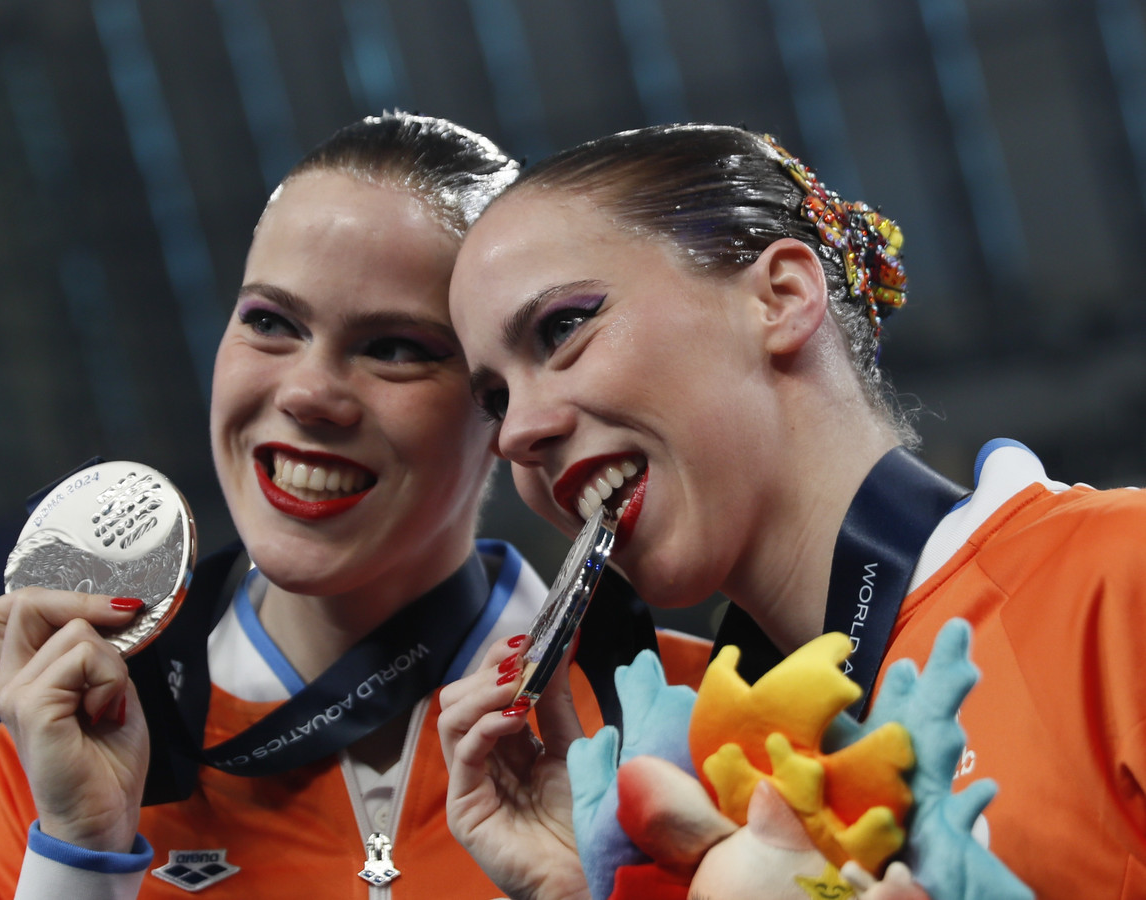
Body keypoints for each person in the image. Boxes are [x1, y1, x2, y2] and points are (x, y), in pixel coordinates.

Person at [0, 111, 710, 900]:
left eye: (394, 348)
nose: (306, 393)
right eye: (271, 322)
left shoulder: (689, 717)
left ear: (499, 400)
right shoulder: (45, 774)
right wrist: (80, 857)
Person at [439, 124, 1145, 899]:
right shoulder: (691, 791)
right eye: (494, 399)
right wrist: (592, 888)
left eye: (563, 327)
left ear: (780, 297)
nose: (515, 434)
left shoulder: (1116, 576)